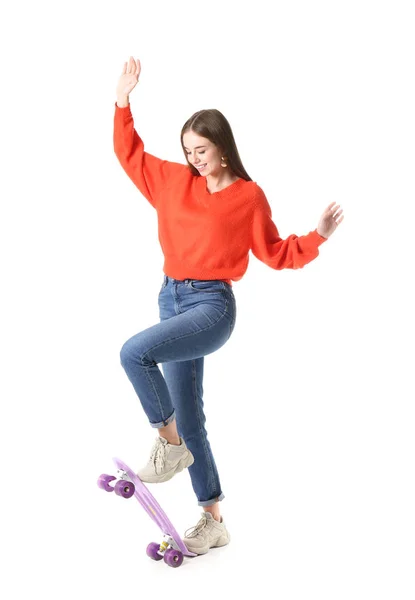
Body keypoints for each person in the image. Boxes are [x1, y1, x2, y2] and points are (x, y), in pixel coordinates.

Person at [113, 56, 344, 555]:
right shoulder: (174, 182)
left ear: (223, 147)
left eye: (202, 149)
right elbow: (130, 154)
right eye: (188, 150)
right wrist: (122, 101)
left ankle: (169, 446)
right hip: (170, 297)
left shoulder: (247, 196)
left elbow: (277, 253)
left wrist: (318, 237)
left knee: (134, 354)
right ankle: (212, 518)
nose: (194, 158)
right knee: (192, 416)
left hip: (211, 306)